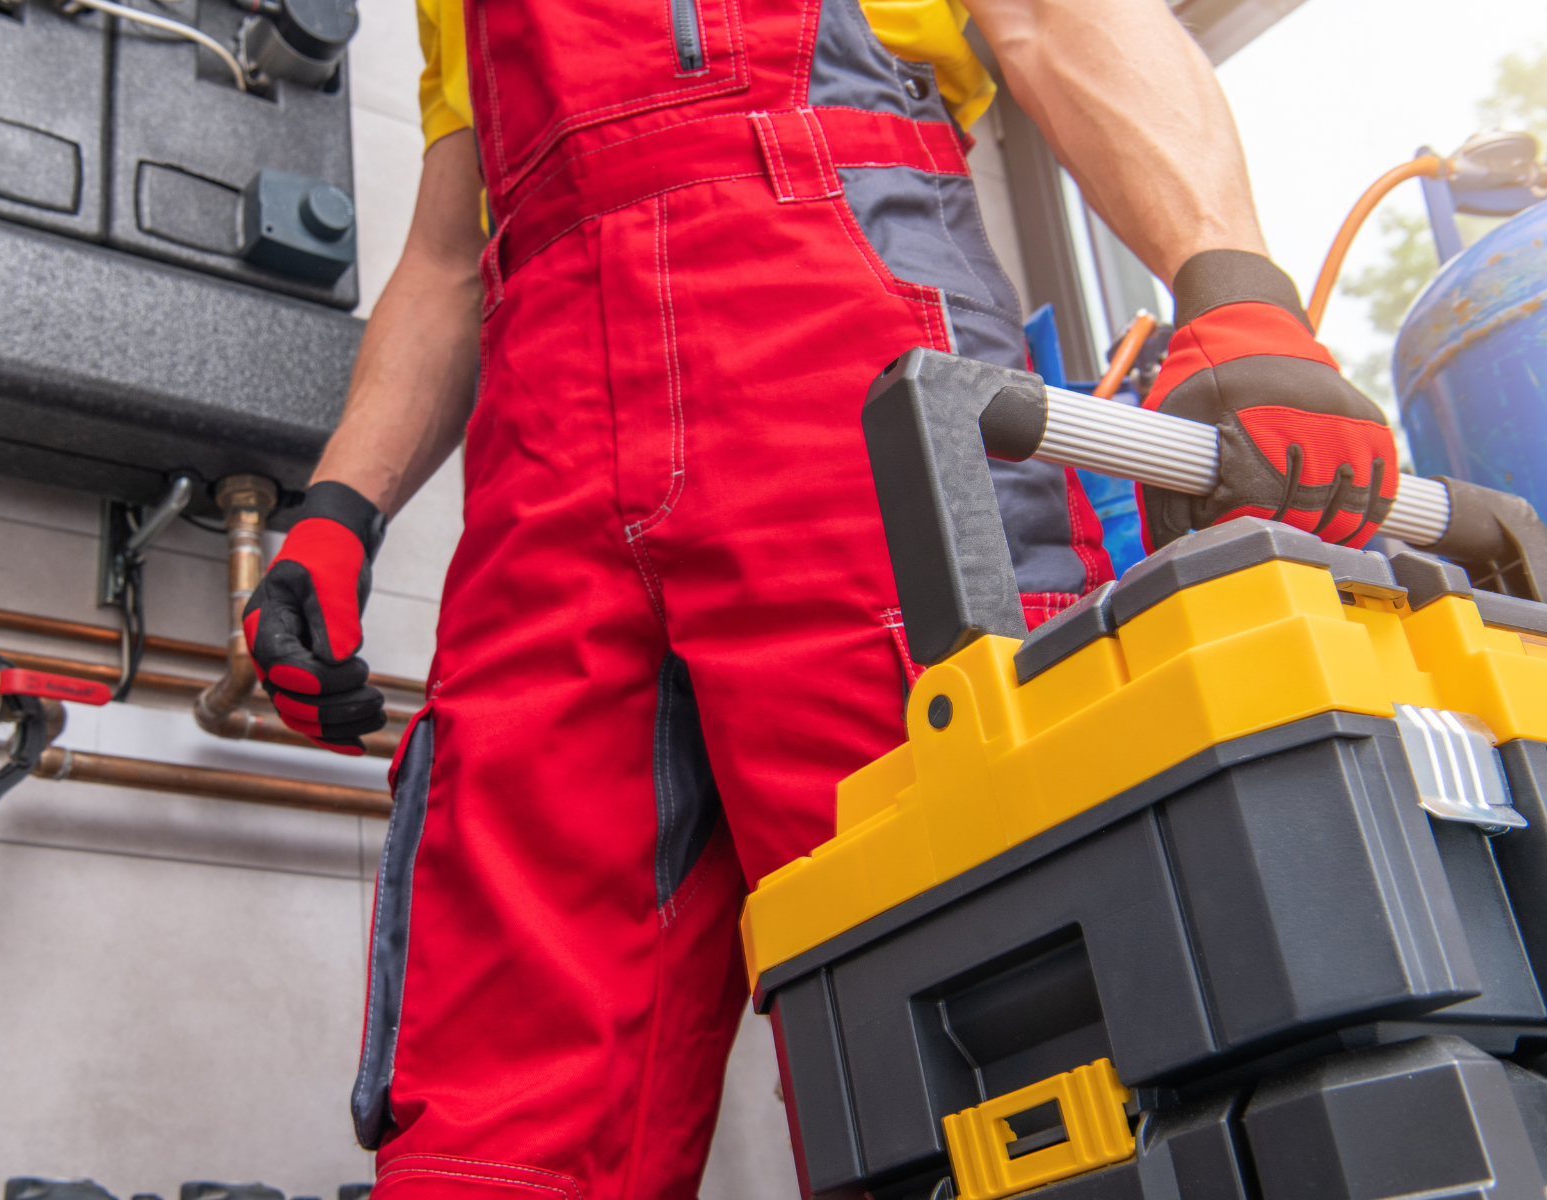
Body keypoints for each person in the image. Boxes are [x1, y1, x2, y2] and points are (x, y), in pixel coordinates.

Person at [241, 0, 1399, 1194]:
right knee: (498, 1098)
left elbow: (1059, 19)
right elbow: (447, 253)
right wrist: (337, 512)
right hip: (543, 461)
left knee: (991, 1016)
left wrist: (1233, 285)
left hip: (842, 371)